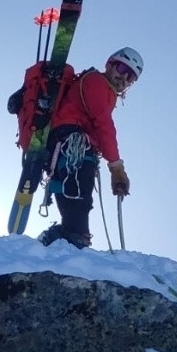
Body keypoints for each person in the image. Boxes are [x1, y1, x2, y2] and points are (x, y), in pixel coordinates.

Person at [37, 47, 143, 248]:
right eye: (122, 68)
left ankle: (63, 237)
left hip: (64, 148)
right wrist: (116, 168)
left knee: (72, 191)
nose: (124, 78)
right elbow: (103, 123)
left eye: (131, 78)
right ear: (109, 64)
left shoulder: (103, 90)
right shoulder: (96, 82)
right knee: (78, 192)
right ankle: (75, 237)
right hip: (73, 145)